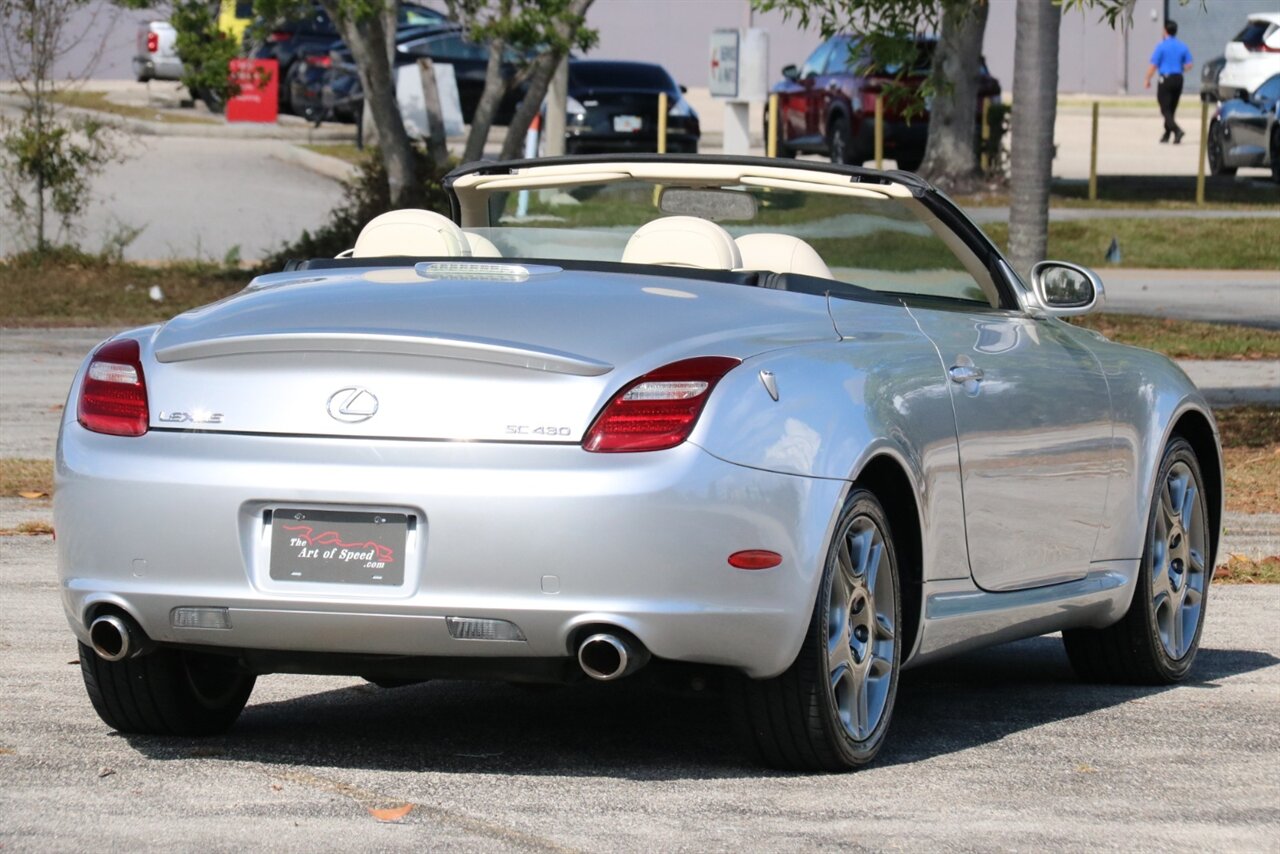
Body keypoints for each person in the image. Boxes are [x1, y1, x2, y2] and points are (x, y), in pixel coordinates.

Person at [1144, 19, 1194, 144]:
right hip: (1178, 78)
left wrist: (1147, 79)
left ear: (1165, 30)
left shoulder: (1162, 46)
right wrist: (1180, 68)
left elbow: (1153, 65)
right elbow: (1189, 65)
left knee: (1164, 108)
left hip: (1165, 79)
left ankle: (1177, 130)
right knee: (1172, 107)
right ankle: (1167, 133)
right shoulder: (1182, 46)